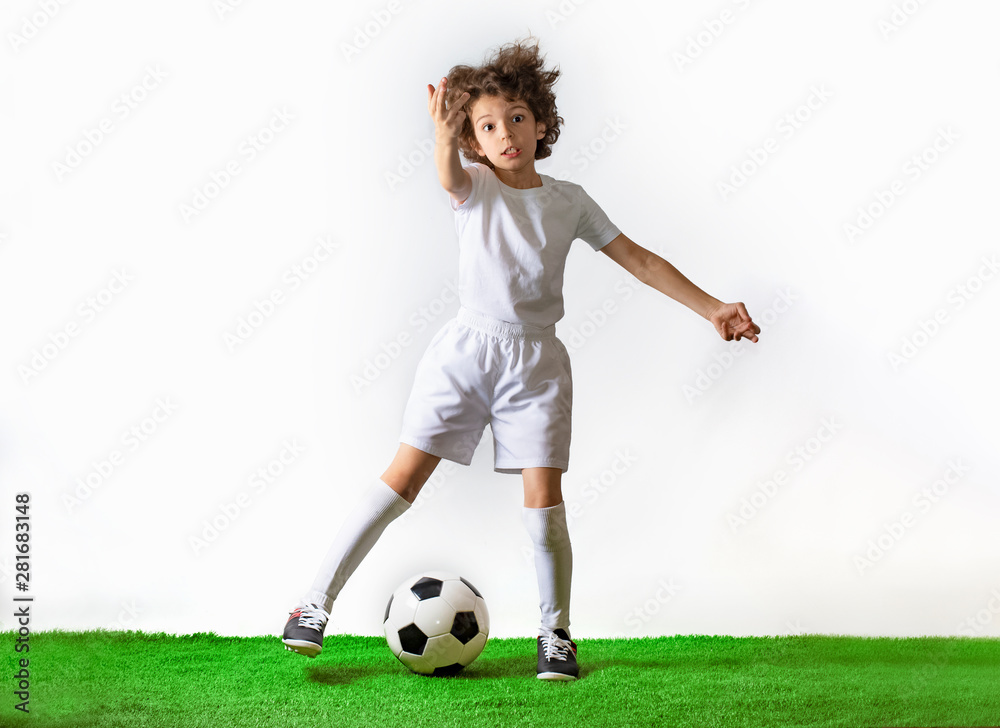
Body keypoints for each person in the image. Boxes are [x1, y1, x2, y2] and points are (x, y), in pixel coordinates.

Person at [282, 36, 760, 682]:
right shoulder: (474, 187)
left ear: (540, 123)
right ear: (473, 141)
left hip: (536, 368)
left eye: (515, 118)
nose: (504, 133)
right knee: (401, 482)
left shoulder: (570, 202)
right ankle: (312, 605)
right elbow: (445, 173)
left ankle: (555, 633)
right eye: (485, 125)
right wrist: (443, 136)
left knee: (544, 504)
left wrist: (712, 308)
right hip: (465, 354)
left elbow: (640, 260)